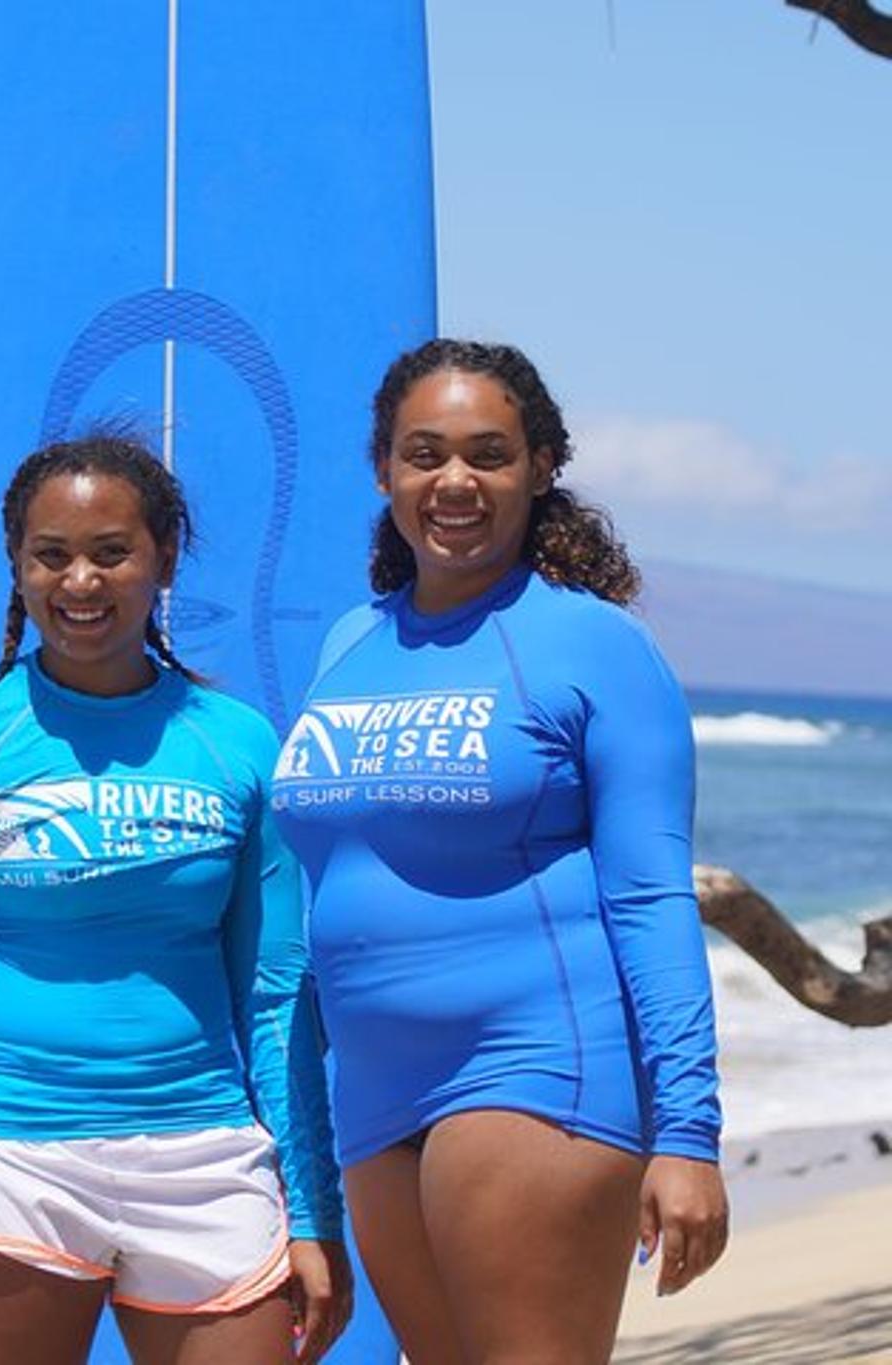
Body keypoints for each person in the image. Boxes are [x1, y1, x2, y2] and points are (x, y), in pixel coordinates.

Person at [271, 339, 729, 1364]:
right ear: (383, 469)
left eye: (487, 454)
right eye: (423, 454)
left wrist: (687, 1135)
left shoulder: (594, 646)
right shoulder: (347, 643)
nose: (453, 481)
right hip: (375, 1091)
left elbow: (650, 897)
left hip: (534, 1067)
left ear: (539, 468)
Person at [0, 433, 350, 1365]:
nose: (80, 580)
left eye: (111, 552)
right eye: (52, 555)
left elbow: (280, 997)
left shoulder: (238, 745)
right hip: (4, 1158)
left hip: (207, 1160)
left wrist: (314, 1211)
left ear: (163, 557)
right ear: (17, 563)